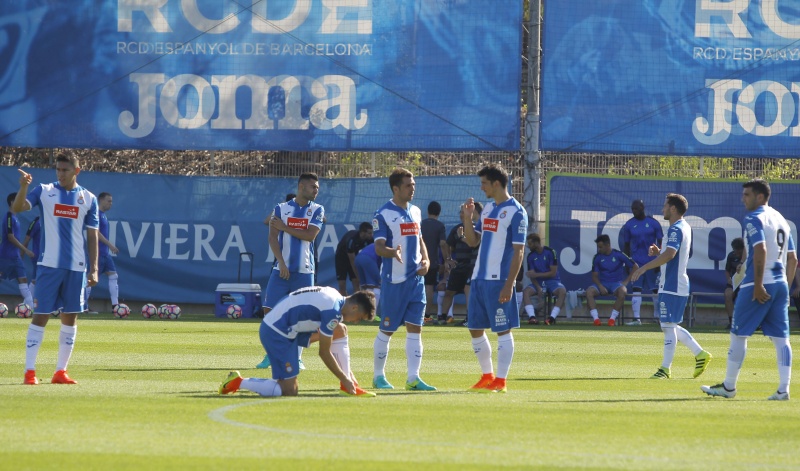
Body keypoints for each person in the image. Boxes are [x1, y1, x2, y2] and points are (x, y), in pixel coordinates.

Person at [703, 179, 797, 400]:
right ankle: (783, 389)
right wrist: (785, 285)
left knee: (738, 334)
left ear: (760, 197)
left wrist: (757, 284)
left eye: (747, 195)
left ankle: (729, 387)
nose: (742, 199)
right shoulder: (781, 219)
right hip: (780, 284)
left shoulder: (754, 218)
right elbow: (793, 258)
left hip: (757, 284)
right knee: (781, 339)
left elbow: (760, 250)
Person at [12, 155, 99, 385]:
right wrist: (23, 187)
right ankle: (29, 372)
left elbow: (92, 236)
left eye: (65, 170)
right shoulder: (44, 190)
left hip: (76, 268)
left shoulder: (88, 198)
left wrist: (94, 268)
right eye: (58, 169)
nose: (60, 174)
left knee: (70, 318)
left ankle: (61, 372)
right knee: (40, 316)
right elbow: (18, 208)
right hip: (49, 266)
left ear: (76, 171)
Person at [219, 286, 377, 397]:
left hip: (289, 327)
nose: (356, 322)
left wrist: (347, 377)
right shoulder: (332, 312)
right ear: (354, 308)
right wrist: (343, 377)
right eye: (360, 318)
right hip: (277, 332)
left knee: (339, 330)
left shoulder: (335, 295)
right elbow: (324, 352)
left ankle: (349, 384)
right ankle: (238, 382)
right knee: (289, 391)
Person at [461, 164, 527, 393]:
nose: (482, 188)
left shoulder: (517, 212)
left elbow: (519, 251)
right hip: (479, 278)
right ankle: (487, 376)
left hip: (499, 281)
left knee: (502, 330)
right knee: (475, 328)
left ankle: (501, 380)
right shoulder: (488, 208)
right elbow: (472, 241)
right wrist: (468, 218)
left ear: (496, 183)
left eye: (484, 183)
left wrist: (509, 284)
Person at [631, 193, 712, 380]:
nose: (663, 209)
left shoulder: (676, 229)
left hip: (673, 284)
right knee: (670, 325)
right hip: (673, 283)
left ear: (673, 208)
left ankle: (665, 369)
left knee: (668, 326)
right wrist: (659, 253)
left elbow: (670, 255)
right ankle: (700, 354)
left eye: (665, 206)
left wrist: (644, 267)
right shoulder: (683, 226)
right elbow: (670, 254)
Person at [371, 168, 436, 391]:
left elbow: (420, 239)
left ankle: (413, 379)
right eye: (408, 185)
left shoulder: (416, 211)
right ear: (396, 188)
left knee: (416, 329)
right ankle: (378, 376)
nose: (412, 189)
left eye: (413, 185)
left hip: (416, 281)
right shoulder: (382, 214)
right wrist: (393, 252)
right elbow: (379, 247)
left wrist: (426, 260)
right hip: (394, 282)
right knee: (387, 330)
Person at [257, 175, 324, 369]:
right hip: (281, 271)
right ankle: (271, 355)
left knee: (303, 315)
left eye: (317, 187)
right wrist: (281, 262)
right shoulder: (281, 208)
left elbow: (310, 236)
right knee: (269, 312)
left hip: (305, 271)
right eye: (312, 187)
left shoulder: (317, 209)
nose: (316, 190)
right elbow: (272, 238)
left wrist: (285, 227)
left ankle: (298, 357)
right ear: (301, 186)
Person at [440, 201, 483, 325]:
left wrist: (462, 237)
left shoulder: (477, 228)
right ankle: (442, 317)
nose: (461, 214)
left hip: (472, 265)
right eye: (461, 212)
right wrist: (448, 259)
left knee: (468, 289)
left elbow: (473, 243)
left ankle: (469, 318)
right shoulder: (456, 229)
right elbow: (447, 245)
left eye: (463, 212)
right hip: (459, 265)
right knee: (450, 291)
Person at [622, 199, 664, 326]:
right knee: (636, 290)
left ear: (642, 208)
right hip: (637, 264)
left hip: (652, 262)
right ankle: (637, 319)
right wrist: (628, 262)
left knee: (655, 291)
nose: (634, 211)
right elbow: (626, 245)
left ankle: (658, 317)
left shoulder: (653, 223)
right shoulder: (629, 225)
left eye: (636, 208)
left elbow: (661, 242)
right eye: (632, 209)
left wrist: (659, 261)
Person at [586, 234, 638, 326]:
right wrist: (600, 286)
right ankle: (596, 319)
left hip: (616, 284)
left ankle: (612, 319)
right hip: (602, 283)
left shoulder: (619, 254)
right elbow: (594, 276)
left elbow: (635, 266)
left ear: (608, 245)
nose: (599, 249)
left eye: (601, 247)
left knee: (623, 291)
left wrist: (626, 281)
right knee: (589, 292)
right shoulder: (597, 257)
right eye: (598, 247)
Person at [83, 192, 121, 313]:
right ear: (101, 200)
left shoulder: (103, 215)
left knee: (113, 275)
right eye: (109, 201)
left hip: (105, 254)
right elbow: (96, 232)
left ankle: (115, 307)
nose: (111, 203)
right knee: (90, 279)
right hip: (97, 253)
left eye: (111, 201)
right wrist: (110, 245)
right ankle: (84, 306)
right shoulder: (96, 214)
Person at [522, 233, 566, 326]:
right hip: (538, 282)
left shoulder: (551, 252)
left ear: (536, 242)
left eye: (530, 244)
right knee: (526, 292)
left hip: (553, 281)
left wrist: (536, 274)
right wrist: (538, 287)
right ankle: (532, 317)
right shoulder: (530, 256)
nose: (528, 246)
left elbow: (553, 273)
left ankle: (551, 318)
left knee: (562, 291)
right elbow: (532, 276)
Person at [1, 193, 35, 310]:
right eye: (19, 200)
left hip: (15, 257)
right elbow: (10, 237)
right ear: (12, 202)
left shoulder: (15, 218)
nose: (22, 203)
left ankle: (31, 309)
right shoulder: (9, 217)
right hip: (5, 256)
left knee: (23, 281)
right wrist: (26, 250)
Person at [420, 201, 450, 323]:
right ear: (439, 212)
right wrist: (446, 259)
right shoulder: (440, 226)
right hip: (431, 262)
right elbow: (442, 243)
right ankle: (426, 315)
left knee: (416, 286)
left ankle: (414, 314)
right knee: (429, 287)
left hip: (417, 260)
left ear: (427, 211)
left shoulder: (420, 224)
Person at [334, 222, 374, 295]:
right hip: (342, 257)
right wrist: (359, 277)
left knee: (356, 283)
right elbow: (352, 262)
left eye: (372, 233)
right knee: (342, 284)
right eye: (369, 233)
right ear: (362, 233)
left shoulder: (370, 239)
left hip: (354, 255)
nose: (371, 235)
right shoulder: (352, 240)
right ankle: (344, 301)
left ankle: (358, 301)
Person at [723, 237, 745, 330]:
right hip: (734, 282)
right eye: (734, 249)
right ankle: (731, 322)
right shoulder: (731, 255)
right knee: (727, 294)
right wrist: (729, 279)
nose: (736, 252)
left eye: (738, 250)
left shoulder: (749, 256)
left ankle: (748, 322)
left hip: (745, 283)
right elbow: (727, 270)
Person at [354, 242, 382, 307]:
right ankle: (372, 311)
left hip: (358, 259)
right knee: (377, 285)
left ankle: (362, 309)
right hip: (369, 258)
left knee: (364, 287)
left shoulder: (377, 243)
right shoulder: (387, 245)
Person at [21, 216, 41, 305]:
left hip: (49, 256)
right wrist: (23, 253)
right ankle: (26, 305)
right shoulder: (37, 222)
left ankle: (27, 305)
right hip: (38, 256)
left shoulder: (52, 220)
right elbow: (27, 238)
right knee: (35, 280)